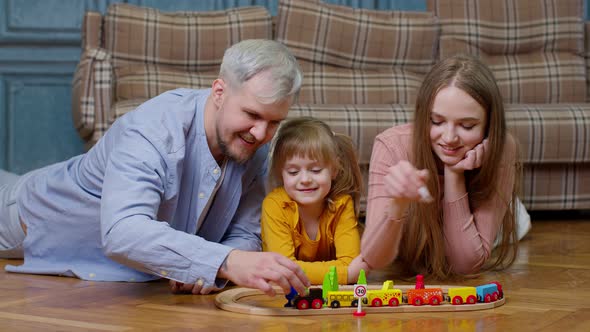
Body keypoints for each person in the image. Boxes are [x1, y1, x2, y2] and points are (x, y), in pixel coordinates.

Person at [0, 39, 310, 296]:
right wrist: (223, 261)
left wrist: (207, 266)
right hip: (25, 216)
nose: (260, 133)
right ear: (219, 92)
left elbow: (245, 231)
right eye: (251, 114)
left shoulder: (252, 146)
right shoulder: (153, 130)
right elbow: (123, 231)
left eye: (274, 122)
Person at [360, 54, 530, 279]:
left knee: (513, 225)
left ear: (489, 126)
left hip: (478, 228)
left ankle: (515, 212)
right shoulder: (392, 146)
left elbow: (464, 265)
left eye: (467, 125)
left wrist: (454, 173)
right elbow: (372, 258)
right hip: (426, 236)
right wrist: (398, 205)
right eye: (437, 121)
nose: (449, 138)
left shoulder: (501, 147)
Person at [261, 117, 368, 285]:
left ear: (334, 170)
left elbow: (351, 262)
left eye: (315, 170)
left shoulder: (342, 204)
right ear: (281, 173)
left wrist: (348, 270)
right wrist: (345, 275)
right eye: (293, 172)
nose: (304, 179)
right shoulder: (274, 205)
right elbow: (283, 271)